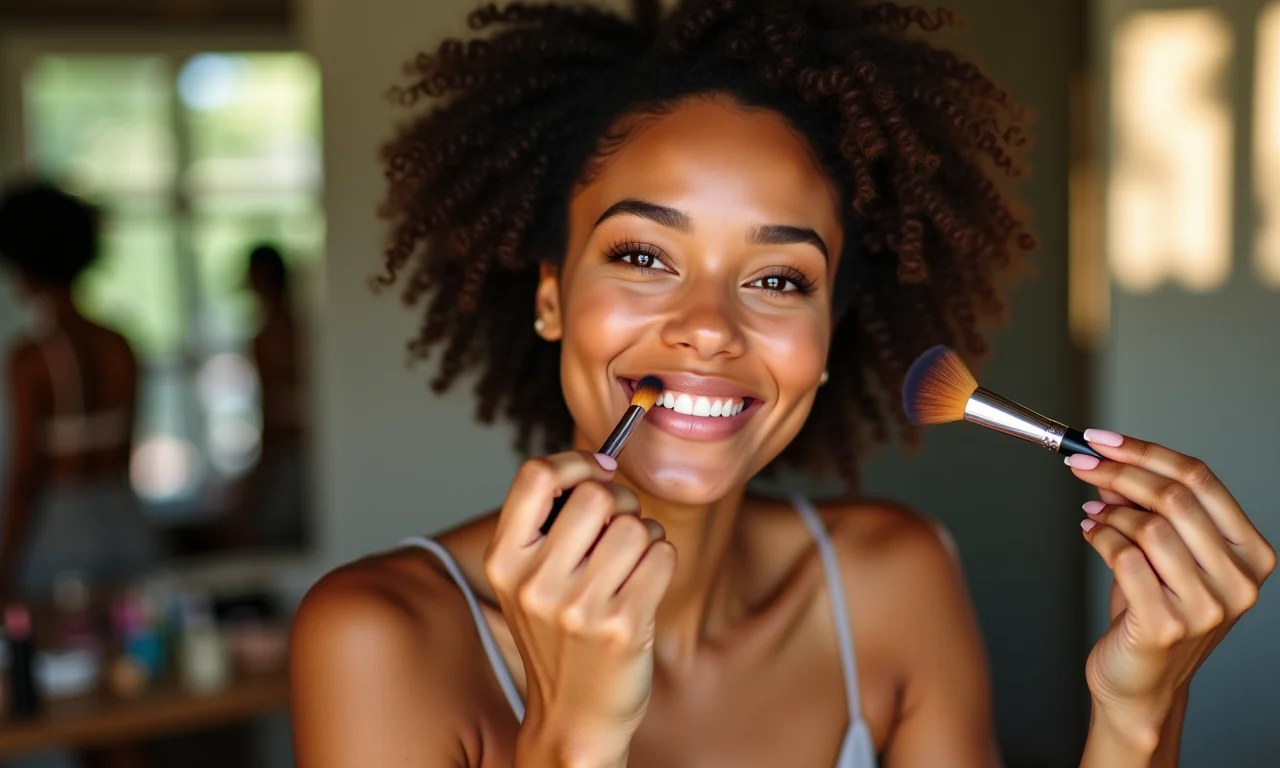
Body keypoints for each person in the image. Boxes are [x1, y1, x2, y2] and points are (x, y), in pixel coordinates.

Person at [289, 1, 1276, 766]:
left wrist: (1139, 714)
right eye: (643, 256)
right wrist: (573, 736)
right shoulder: (382, 641)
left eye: (776, 279)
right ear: (550, 297)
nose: (711, 326)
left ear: (827, 333)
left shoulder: (891, 581)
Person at [0, 180, 160, 600]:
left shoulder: (30, 358)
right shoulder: (120, 344)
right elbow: (127, 452)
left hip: (58, 532)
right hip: (124, 520)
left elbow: (24, 473)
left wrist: (5, 566)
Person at [234, 243, 310, 549]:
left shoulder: (277, 336)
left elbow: (275, 414)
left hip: (292, 457)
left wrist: (256, 490)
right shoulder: (296, 330)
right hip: (289, 456)